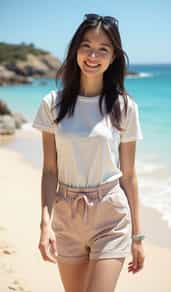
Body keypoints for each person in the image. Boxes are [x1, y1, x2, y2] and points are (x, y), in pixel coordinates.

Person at [32, 13, 145, 292]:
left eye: (103, 49)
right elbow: (49, 170)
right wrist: (45, 226)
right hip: (66, 214)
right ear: (75, 50)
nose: (93, 55)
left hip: (111, 215)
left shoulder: (124, 106)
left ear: (113, 57)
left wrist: (138, 236)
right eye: (86, 46)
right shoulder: (52, 104)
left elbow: (129, 175)